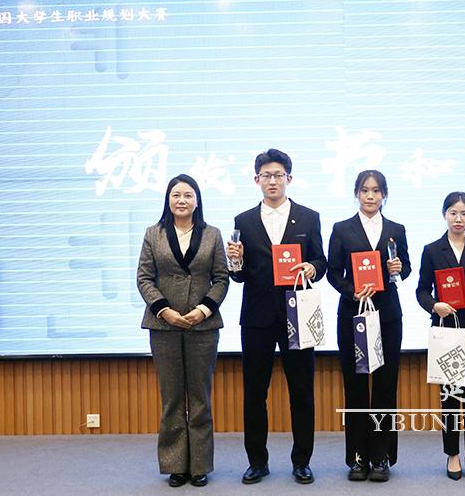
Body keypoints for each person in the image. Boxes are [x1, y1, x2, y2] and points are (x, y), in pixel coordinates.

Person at [226, 149, 327, 485]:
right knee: (255, 392)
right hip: (257, 317)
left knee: (302, 391)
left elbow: (322, 261)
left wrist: (312, 267)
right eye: (266, 175)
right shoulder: (243, 221)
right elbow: (239, 276)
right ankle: (257, 461)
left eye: (278, 175)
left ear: (289, 178)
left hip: (298, 314)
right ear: (257, 179)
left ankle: (302, 461)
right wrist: (235, 261)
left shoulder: (309, 217)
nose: (272, 181)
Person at [136, 174, 229, 488]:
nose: (182, 200)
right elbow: (144, 278)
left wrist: (204, 309)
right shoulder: (153, 234)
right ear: (168, 199)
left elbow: (221, 279)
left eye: (188, 195)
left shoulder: (212, 234)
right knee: (172, 398)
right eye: (176, 195)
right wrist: (165, 310)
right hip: (163, 326)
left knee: (200, 397)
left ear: (197, 201)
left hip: (203, 326)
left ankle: (200, 465)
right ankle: (176, 465)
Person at [326, 170, 411, 482]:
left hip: (387, 316)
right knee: (356, 387)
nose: (370, 196)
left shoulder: (396, 230)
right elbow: (332, 272)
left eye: (376, 190)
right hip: (353, 316)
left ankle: (381, 457)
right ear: (356, 194)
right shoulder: (342, 229)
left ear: (384, 195)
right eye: (365, 190)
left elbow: (406, 268)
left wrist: (398, 268)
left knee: (386, 388)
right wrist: (352, 291)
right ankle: (358, 458)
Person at [415, 191, 465, 481]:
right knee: (449, 396)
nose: (458, 218)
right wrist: (434, 305)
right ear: (444, 215)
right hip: (447, 328)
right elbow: (421, 291)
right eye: (453, 213)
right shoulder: (432, 250)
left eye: (464, 213)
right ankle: (451, 454)